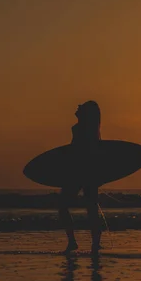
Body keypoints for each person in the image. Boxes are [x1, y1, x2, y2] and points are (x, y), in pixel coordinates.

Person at [59, 101, 102, 254]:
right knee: (90, 208)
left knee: (67, 205)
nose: (77, 107)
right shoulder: (89, 130)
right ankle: (92, 244)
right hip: (86, 171)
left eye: (81, 107)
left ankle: (77, 243)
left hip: (80, 171)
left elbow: (78, 151)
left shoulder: (85, 130)